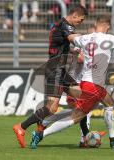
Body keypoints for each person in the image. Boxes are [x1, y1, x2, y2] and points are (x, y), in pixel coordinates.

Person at [30, 15, 114, 149]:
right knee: (75, 117)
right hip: (93, 86)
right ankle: (40, 135)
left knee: (109, 102)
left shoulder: (84, 38)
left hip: (90, 83)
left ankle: (113, 138)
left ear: (96, 24)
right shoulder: (109, 38)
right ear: (107, 26)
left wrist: (61, 28)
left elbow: (70, 37)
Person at [13, 5, 88, 148]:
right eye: (80, 20)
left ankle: (85, 137)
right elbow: (74, 37)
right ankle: (21, 127)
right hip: (55, 71)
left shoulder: (58, 25)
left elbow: (60, 45)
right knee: (51, 108)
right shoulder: (65, 26)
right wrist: (90, 39)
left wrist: (73, 51)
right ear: (74, 15)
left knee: (84, 99)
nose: (81, 23)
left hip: (60, 70)